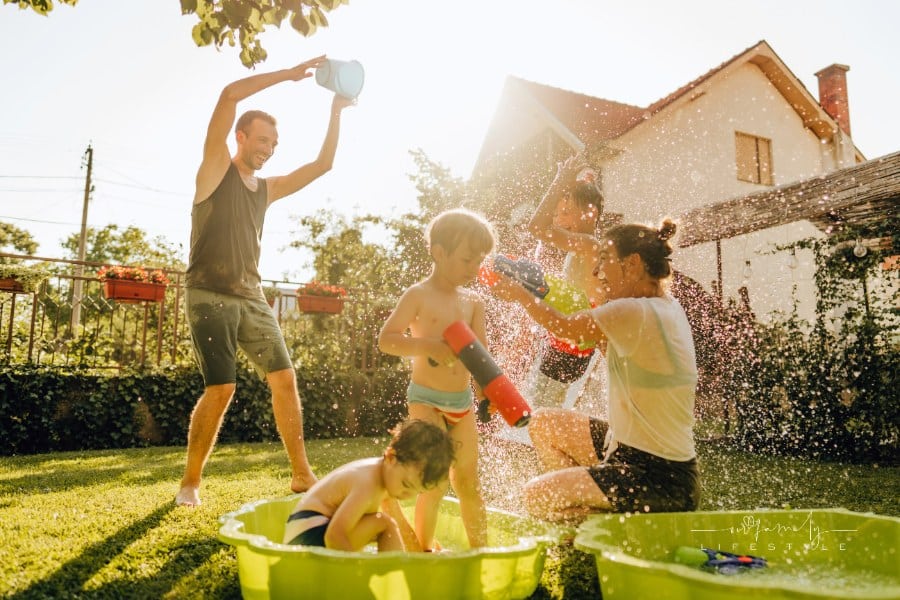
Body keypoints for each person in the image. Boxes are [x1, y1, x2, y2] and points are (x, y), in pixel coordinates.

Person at [176, 56, 354, 507]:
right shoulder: (215, 168)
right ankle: (190, 483)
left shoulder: (267, 188)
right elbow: (229, 96)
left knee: (284, 378)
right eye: (261, 140)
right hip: (209, 293)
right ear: (240, 136)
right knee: (222, 388)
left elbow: (325, 165)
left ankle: (301, 474)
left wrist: (335, 110)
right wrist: (290, 74)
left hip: (251, 296)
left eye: (273, 143)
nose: (268, 149)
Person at [491, 218, 701, 522]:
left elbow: (564, 327)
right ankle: (592, 506)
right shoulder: (663, 307)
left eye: (604, 260)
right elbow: (596, 341)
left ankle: (593, 534)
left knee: (538, 495)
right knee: (544, 424)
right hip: (632, 454)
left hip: (659, 480)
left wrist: (520, 295)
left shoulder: (634, 311)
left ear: (632, 265)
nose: (597, 270)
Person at [378, 208, 495, 550]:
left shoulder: (474, 302)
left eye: (479, 261)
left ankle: (482, 553)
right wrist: (427, 344)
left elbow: (480, 359)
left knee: (469, 482)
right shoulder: (419, 295)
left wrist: (486, 392)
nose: (474, 268)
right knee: (436, 478)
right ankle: (425, 549)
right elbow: (388, 339)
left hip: (461, 405)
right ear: (439, 252)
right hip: (426, 399)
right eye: (467, 260)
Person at [283, 419, 455, 552]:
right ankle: (391, 582)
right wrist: (359, 573)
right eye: (405, 484)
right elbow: (334, 536)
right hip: (307, 536)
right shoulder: (368, 483)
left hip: (305, 533)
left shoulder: (384, 476)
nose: (406, 494)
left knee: (384, 526)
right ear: (391, 456)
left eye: (415, 491)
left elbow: (398, 530)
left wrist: (418, 551)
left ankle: (392, 576)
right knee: (385, 525)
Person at [525, 155, 607, 409]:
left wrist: (559, 182)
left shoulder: (590, 245)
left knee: (544, 413)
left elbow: (537, 227)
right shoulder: (586, 247)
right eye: (559, 213)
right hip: (568, 341)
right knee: (542, 409)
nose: (559, 220)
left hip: (573, 344)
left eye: (566, 213)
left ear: (590, 213)